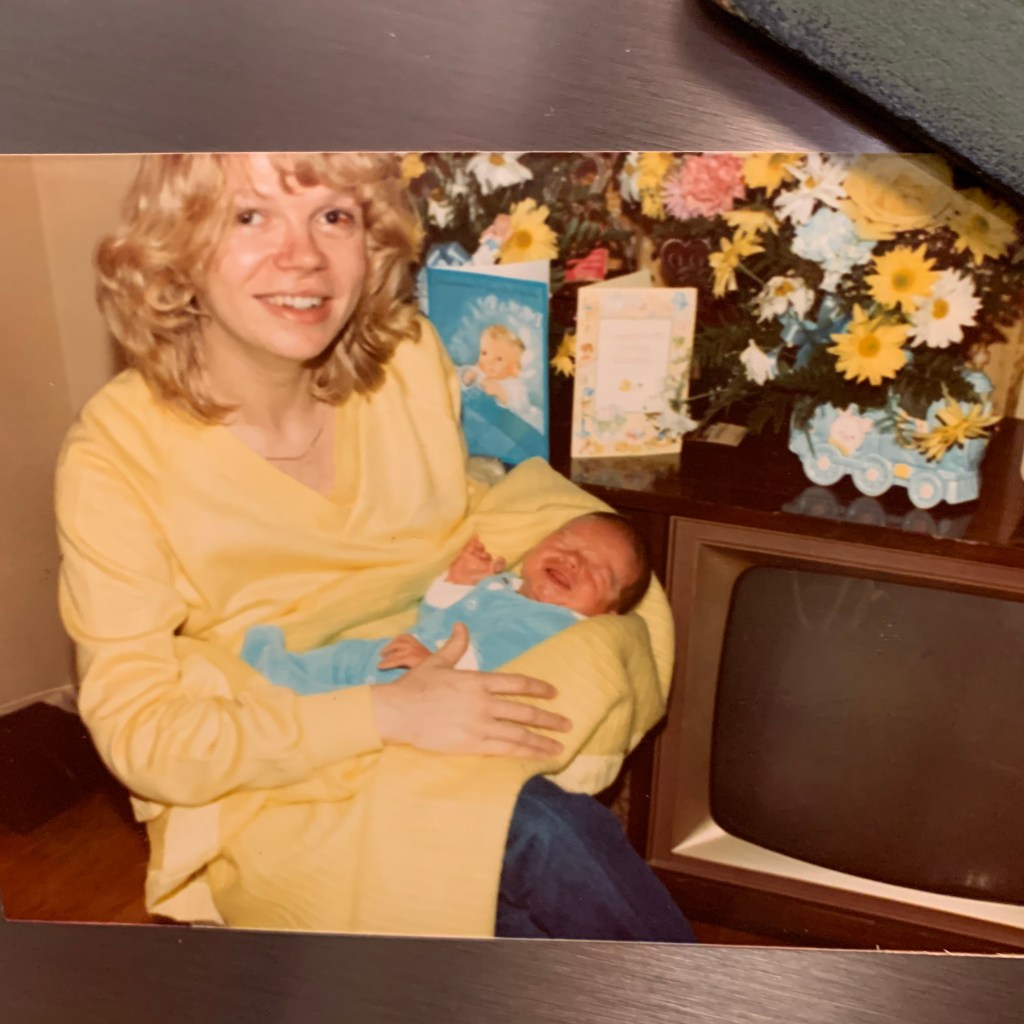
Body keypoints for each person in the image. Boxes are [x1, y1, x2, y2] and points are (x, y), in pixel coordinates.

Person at [55, 151, 694, 941]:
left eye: (334, 216)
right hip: (280, 748)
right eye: (249, 216)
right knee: (541, 832)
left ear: (372, 242)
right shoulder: (114, 455)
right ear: (177, 250)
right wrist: (388, 712)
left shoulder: (407, 359)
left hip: (447, 680)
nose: (303, 255)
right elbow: (145, 738)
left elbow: (468, 494)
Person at [241, 512, 651, 692]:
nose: (574, 560)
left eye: (598, 570)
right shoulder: (505, 585)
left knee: (340, 696)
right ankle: (270, 670)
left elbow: (496, 659)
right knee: (343, 657)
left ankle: (278, 690)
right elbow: (435, 615)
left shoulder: (556, 626)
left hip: (425, 685)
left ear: (608, 611)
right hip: (400, 655)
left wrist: (435, 663)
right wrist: (458, 582)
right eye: (566, 543)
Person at [461, 322, 542, 429]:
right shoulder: (480, 371)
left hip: (521, 422)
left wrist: (501, 394)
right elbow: (461, 378)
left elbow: (522, 407)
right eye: (484, 353)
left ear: (513, 368)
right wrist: (467, 377)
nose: (489, 361)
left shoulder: (514, 384)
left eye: (499, 359)